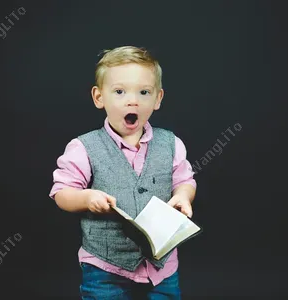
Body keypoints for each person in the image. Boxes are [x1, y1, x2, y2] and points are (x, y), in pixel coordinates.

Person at [49, 45, 197, 299]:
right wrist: (86, 198)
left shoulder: (171, 143)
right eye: (119, 91)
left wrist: (184, 195)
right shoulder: (83, 147)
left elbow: (185, 180)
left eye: (144, 92)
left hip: (161, 266)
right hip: (105, 267)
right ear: (99, 98)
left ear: (158, 98)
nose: (133, 100)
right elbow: (61, 192)